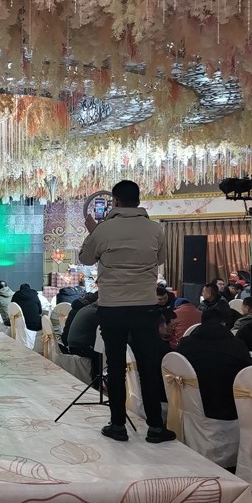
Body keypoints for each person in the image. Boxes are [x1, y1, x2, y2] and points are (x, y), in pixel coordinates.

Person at [78, 179, 174, 443]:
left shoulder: (104, 230)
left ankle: (118, 425)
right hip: (145, 307)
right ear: (139, 200)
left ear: (115, 202)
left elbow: (85, 258)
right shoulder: (155, 229)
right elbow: (160, 259)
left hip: (112, 308)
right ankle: (156, 427)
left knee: (116, 366)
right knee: (148, 366)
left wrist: (92, 232)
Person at [176, 307, 252, 421]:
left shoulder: (184, 344)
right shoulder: (236, 346)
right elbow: (250, 374)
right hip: (229, 410)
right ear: (223, 323)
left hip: (189, 406)